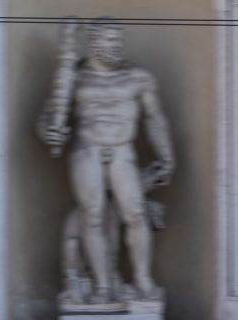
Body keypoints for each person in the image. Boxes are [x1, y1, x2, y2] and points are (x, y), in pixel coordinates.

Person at [38, 18, 176, 305]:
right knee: (93, 215)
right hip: (86, 149)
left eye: (118, 40)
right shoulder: (72, 77)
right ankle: (102, 287)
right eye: (109, 40)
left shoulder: (138, 77)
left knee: (134, 212)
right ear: (92, 43)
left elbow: (155, 119)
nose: (116, 46)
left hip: (122, 149)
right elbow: (49, 117)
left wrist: (166, 154)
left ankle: (142, 279)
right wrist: (51, 132)